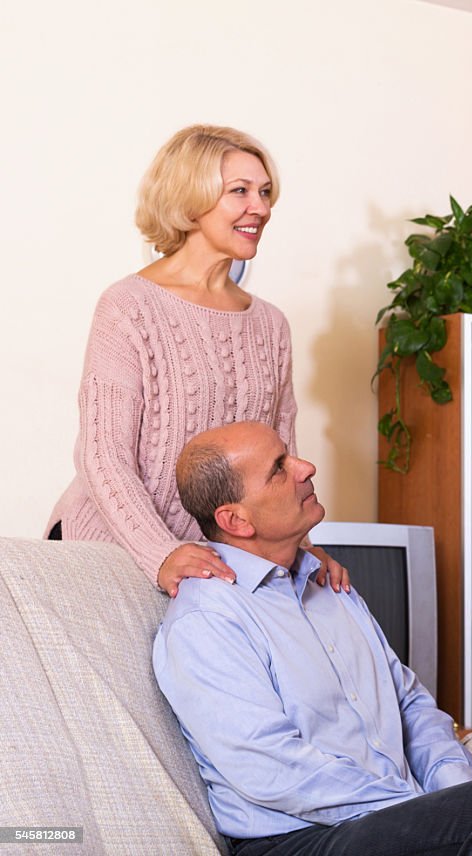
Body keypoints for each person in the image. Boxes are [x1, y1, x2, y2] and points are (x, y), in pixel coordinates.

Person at [154, 421, 472, 856]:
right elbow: (273, 772)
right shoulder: (207, 620)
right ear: (234, 520)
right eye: (280, 468)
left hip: (393, 809)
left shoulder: (329, 586)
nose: (305, 468)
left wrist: (453, 787)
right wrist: (419, 804)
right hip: (300, 838)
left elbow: (409, 701)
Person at [46, 125, 344, 597]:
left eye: (265, 192)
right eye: (240, 191)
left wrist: (301, 550)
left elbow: (280, 461)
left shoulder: (270, 324)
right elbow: (103, 455)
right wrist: (160, 552)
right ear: (190, 200)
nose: (261, 208)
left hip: (210, 565)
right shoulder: (128, 306)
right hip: (111, 552)